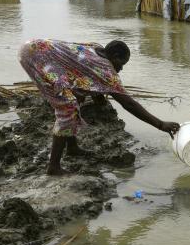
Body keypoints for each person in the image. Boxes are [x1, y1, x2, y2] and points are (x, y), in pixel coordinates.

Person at [19, 39, 179, 175]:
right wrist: (160, 124)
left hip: (35, 47)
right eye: (121, 64)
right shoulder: (106, 71)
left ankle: (72, 148)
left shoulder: (96, 48)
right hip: (36, 57)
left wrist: (99, 96)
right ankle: (53, 168)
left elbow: (87, 73)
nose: (121, 69)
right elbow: (128, 103)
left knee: (77, 97)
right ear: (114, 56)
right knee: (67, 108)